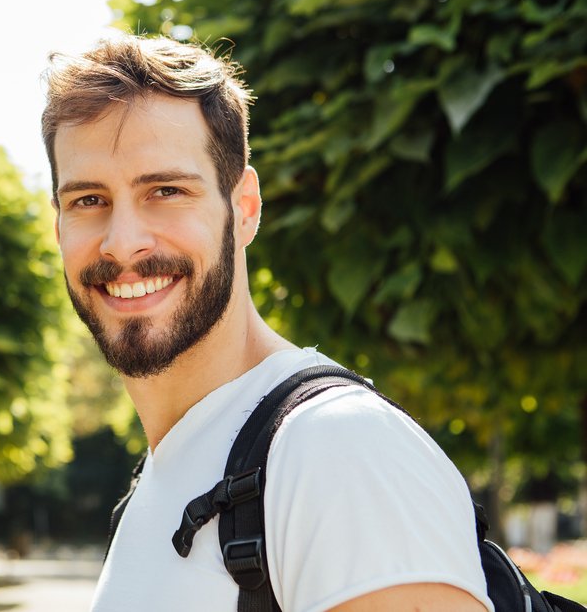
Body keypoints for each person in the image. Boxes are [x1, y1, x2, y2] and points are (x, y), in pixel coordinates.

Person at [41, 34, 492, 611]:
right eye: (87, 200)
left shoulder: (340, 451)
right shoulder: (157, 483)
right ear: (59, 229)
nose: (123, 242)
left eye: (167, 190)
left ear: (245, 207)